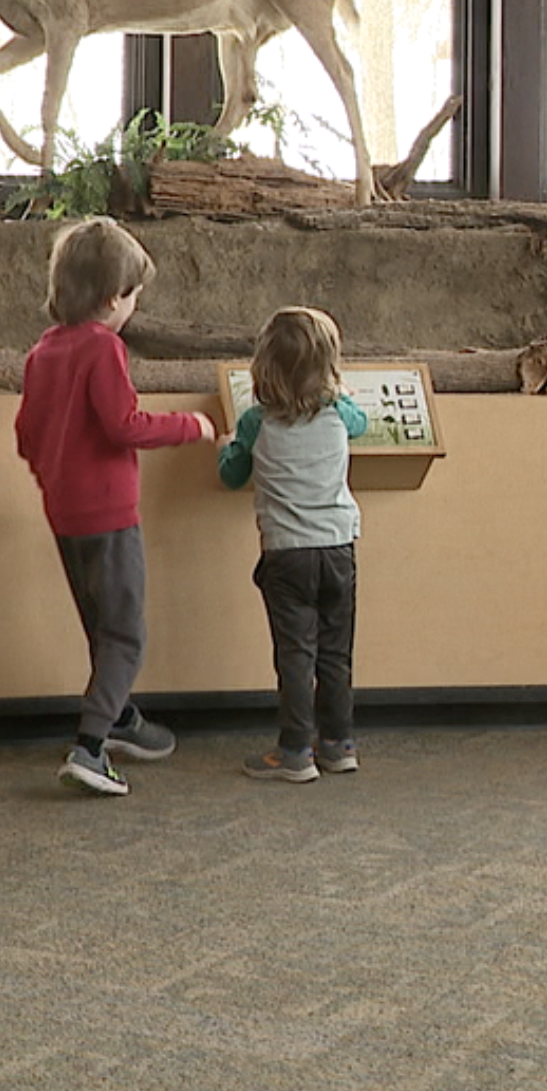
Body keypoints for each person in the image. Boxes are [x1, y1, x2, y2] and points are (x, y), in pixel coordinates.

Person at [14, 217, 217, 796]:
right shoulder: (104, 348)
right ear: (111, 299)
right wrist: (192, 426)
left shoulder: (43, 352)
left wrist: (50, 474)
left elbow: (26, 433)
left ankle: (121, 717)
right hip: (108, 512)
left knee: (100, 625)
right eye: (132, 295)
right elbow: (124, 425)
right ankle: (91, 745)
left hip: (64, 511)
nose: (134, 306)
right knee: (125, 633)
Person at [217, 306, 366, 784]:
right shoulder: (339, 412)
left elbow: (231, 474)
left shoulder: (257, 422)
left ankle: (295, 750)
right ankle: (339, 743)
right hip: (339, 547)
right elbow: (360, 422)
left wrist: (224, 446)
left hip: (286, 554)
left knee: (295, 655)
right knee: (336, 653)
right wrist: (339, 393)